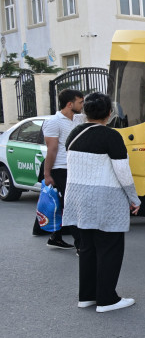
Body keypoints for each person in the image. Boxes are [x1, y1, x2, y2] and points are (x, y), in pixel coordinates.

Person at [62, 92, 141, 313]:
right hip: (104, 199)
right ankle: (107, 299)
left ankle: (87, 296)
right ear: (109, 113)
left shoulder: (74, 133)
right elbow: (122, 172)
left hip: (77, 199)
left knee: (87, 248)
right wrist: (134, 199)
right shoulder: (111, 136)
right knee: (109, 248)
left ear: (85, 111)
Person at [41, 89, 84, 250]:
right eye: (80, 102)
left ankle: (55, 237)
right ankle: (81, 245)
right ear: (69, 104)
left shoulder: (79, 118)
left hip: (76, 168)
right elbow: (51, 150)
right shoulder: (54, 122)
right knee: (71, 205)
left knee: (63, 203)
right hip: (61, 168)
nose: (83, 105)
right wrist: (47, 174)